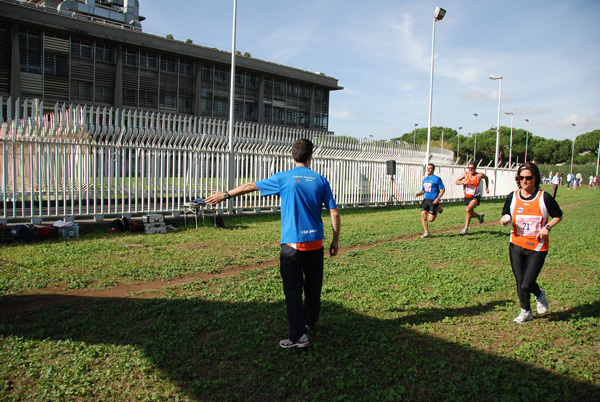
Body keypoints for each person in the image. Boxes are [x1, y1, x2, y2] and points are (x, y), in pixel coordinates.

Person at [206, 139, 340, 349]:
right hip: (316, 243)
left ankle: (299, 337)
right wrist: (335, 240)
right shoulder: (321, 180)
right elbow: (334, 212)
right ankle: (309, 323)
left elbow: (251, 186)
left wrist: (225, 195)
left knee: (293, 289)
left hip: (292, 244)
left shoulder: (283, 178)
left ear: (292, 156)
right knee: (313, 287)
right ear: (310, 156)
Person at [500, 162, 563, 324]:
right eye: (522, 178)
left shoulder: (544, 197)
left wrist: (547, 227)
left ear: (535, 179)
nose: (525, 181)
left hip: (538, 247)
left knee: (527, 283)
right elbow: (506, 213)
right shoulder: (512, 196)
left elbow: (558, 215)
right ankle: (526, 311)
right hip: (516, 244)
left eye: (529, 178)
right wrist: (505, 219)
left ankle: (539, 294)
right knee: (520, 281)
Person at [455, 161, 489, 235]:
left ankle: (465, 228)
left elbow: (486, 178)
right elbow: (457, 181)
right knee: (470, 213)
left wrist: (487, 187)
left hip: (476, 196)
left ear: (475, 168)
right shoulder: (465, 174)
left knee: (468, 209)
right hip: (467, 196)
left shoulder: (479, 175)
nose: (470, 169)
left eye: (472, 168)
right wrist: (463, 182)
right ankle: (479, 216)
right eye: (469, 168)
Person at [415, 163, 445, 238]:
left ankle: (438, 208)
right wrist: (418, 194)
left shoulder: (437, 179)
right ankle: (426, 232)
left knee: (431, 219)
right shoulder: (425, 180)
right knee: (423, 216)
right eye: (427, 168)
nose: (428, 169)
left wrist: (437, 198)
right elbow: (423, 190)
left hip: (433, 201)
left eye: (430, 168)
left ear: (433, 169)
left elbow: (443, 189)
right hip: (426, 200)